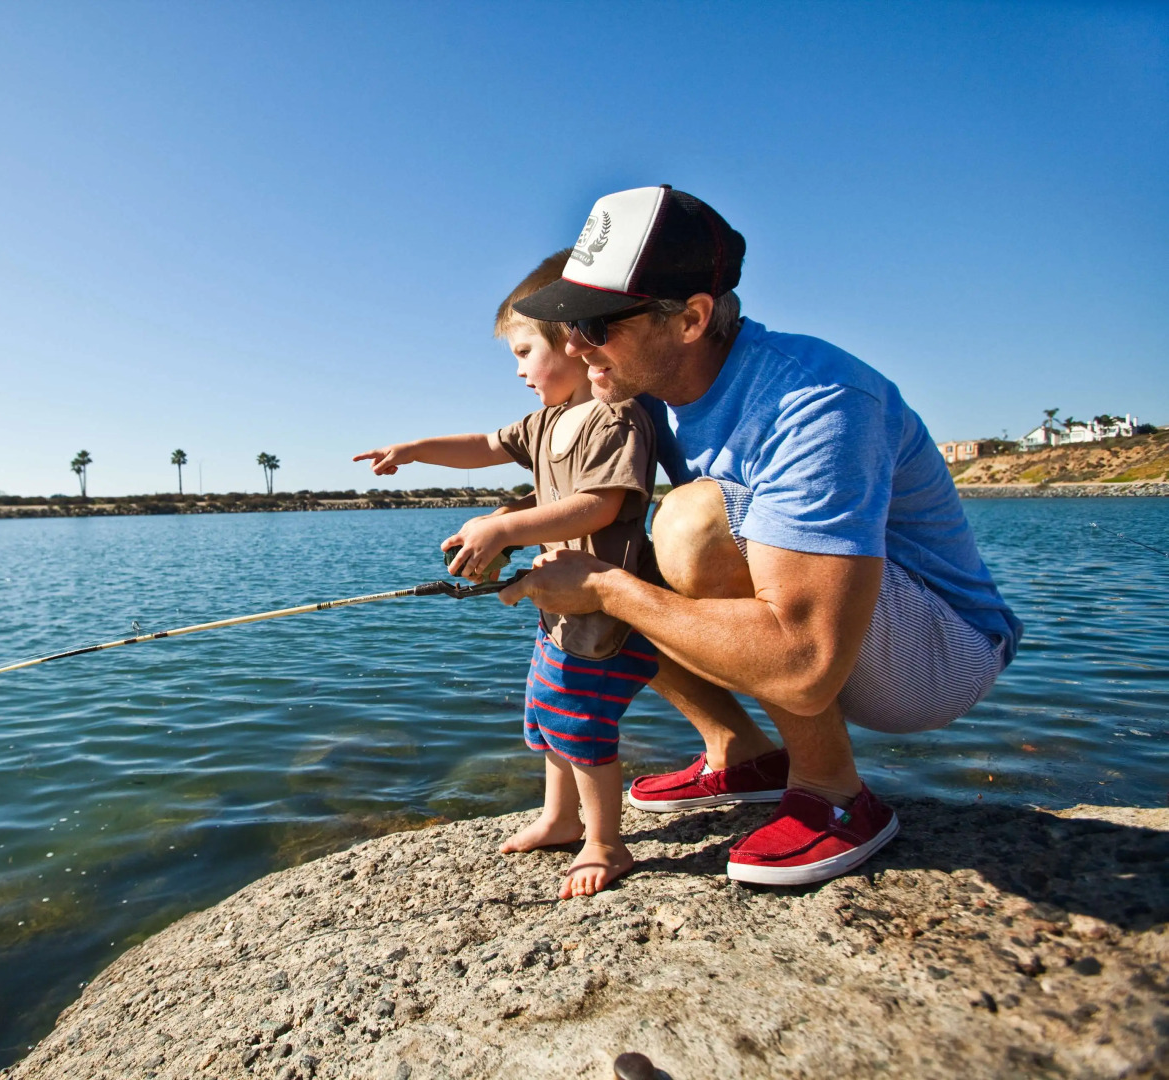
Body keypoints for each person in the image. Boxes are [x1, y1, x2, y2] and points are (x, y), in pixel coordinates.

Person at [502, 185, 1022, 886]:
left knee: (687, 528)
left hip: (935, 657)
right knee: (630, 549)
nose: (573, 345)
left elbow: (806, 667)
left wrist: (604, 588)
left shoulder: (817, 399)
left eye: (596, 324)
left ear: (690, 318)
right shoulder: (644, 387)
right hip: (839, 626)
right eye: (567, 324)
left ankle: (834, 794)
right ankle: (739, 752)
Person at [354, 251, 660, 899]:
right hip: (562, 607)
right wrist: (412, 451)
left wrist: (505, 529)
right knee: (546, 713)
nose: (519, 369)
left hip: (608, 608)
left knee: (581, 718)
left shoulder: (615, 418)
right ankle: (559, 817)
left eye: (524, 351)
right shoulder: (545, 421)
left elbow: (602, 504)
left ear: (575, 343)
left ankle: (607, 841)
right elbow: (482, 446)